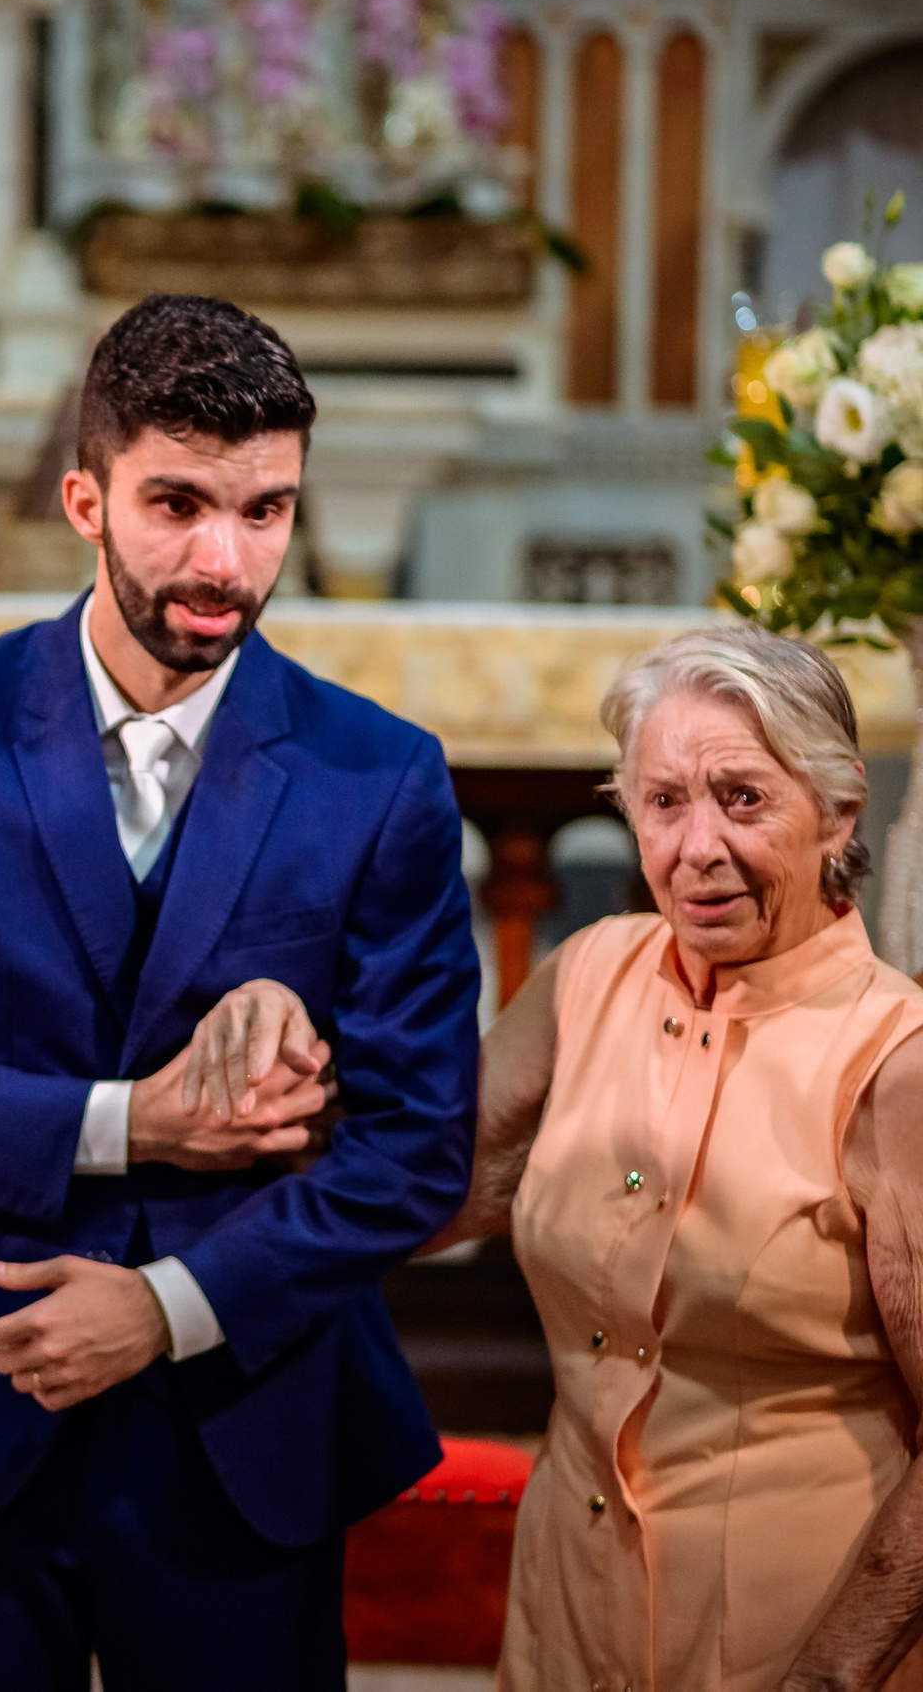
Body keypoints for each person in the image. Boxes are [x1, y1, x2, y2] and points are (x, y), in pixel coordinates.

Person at [0, 293, 482, 1690]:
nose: (222, 558)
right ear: (84, 497)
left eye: (264, 510)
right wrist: (133, 1122)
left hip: (243, 1411)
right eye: (176, 501)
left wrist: (168, 1302)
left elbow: (419, 1143)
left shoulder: (382, 773)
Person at [420, 625, 923, 1692]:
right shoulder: (589, 974)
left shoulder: (895, 1064)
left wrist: (833, 1674)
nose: (695, 847)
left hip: (794, 1642)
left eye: (741, 799)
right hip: (565, 1617)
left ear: (837, 813)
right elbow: (427, 1193)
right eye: (661, 802)